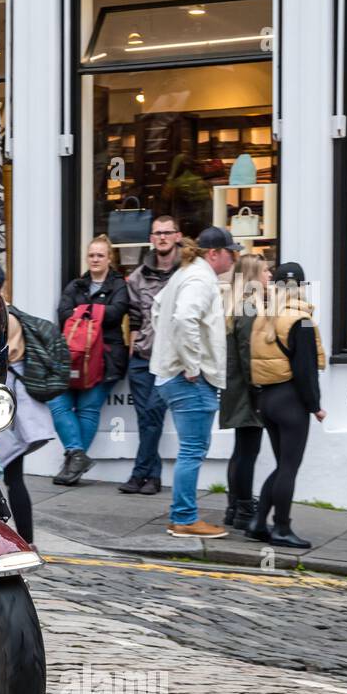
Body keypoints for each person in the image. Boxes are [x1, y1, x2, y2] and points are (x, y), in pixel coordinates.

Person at [149, 226, 234, 538]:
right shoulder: (200, 278)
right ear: (214, 253)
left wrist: (171, 349)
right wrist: (192, 363)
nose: (233, 258)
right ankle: (184, 518)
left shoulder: (186, 273)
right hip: (189, 379)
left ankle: (182, 516)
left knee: (191, 448)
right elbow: (184, 318)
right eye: (230, 252)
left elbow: (158, 309)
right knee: (193, 449)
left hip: (173, 374)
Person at [0, 262, 56, 540]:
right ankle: (18, 540)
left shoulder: (0, 317)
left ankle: (0, 540)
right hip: (0, 406)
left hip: (1, 409)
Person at [245, 262, 327, 549]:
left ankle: (257, 522)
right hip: (290, 401)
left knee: (282, 466)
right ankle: (281, 528)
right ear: (302, 287)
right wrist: (315, 405)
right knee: (289, 467)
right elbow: (305, 370)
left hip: (266, 399)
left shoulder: (262, 317)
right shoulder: (300, 320)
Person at [49, 235, 129, 485]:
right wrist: (96, 313)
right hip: (73, 357)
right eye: (92, 255)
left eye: (100, 255)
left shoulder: (119, 285)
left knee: (87, 409)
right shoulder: (77, 285)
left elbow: (117, 313)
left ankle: (72, 464)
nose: (95, 259)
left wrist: (81, 312)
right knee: (57, 401)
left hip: (106, 358)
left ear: (109, 258)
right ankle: (76, 454)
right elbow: (62, 314)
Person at [119, 214, 182, 495]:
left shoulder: (187, 273)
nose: (163, 237)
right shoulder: (137, 276)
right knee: (146, 417)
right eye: (158, 233)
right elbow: (132, 316)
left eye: (167, 232)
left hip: (170, 360)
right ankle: (152, 477)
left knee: (152, 414)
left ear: (177, 236)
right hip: (142, 357)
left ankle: (139, 473)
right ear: (151, 238)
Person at [219, 252, 269, 529]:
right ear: (252, 276)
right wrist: (259, 388)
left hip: (237, 388)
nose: (269, 276)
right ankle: (244, 510)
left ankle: (234, 507)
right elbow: (250, 354)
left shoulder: (236, 305)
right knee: (248, 451)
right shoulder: (249, 308)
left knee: (241, 450)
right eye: (265, 272)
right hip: (246, 390)